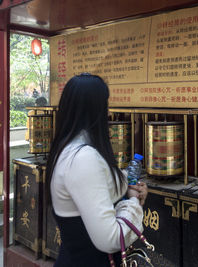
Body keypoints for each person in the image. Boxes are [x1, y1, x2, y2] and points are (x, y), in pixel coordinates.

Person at [46, 73, 148, 266]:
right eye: (105, 106)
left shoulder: (68, 149)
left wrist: (127, 183)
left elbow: (99, 185)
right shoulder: (83, 158)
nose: (108, 113)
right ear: (95, 111)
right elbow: (110, 239)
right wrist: (134, 202)